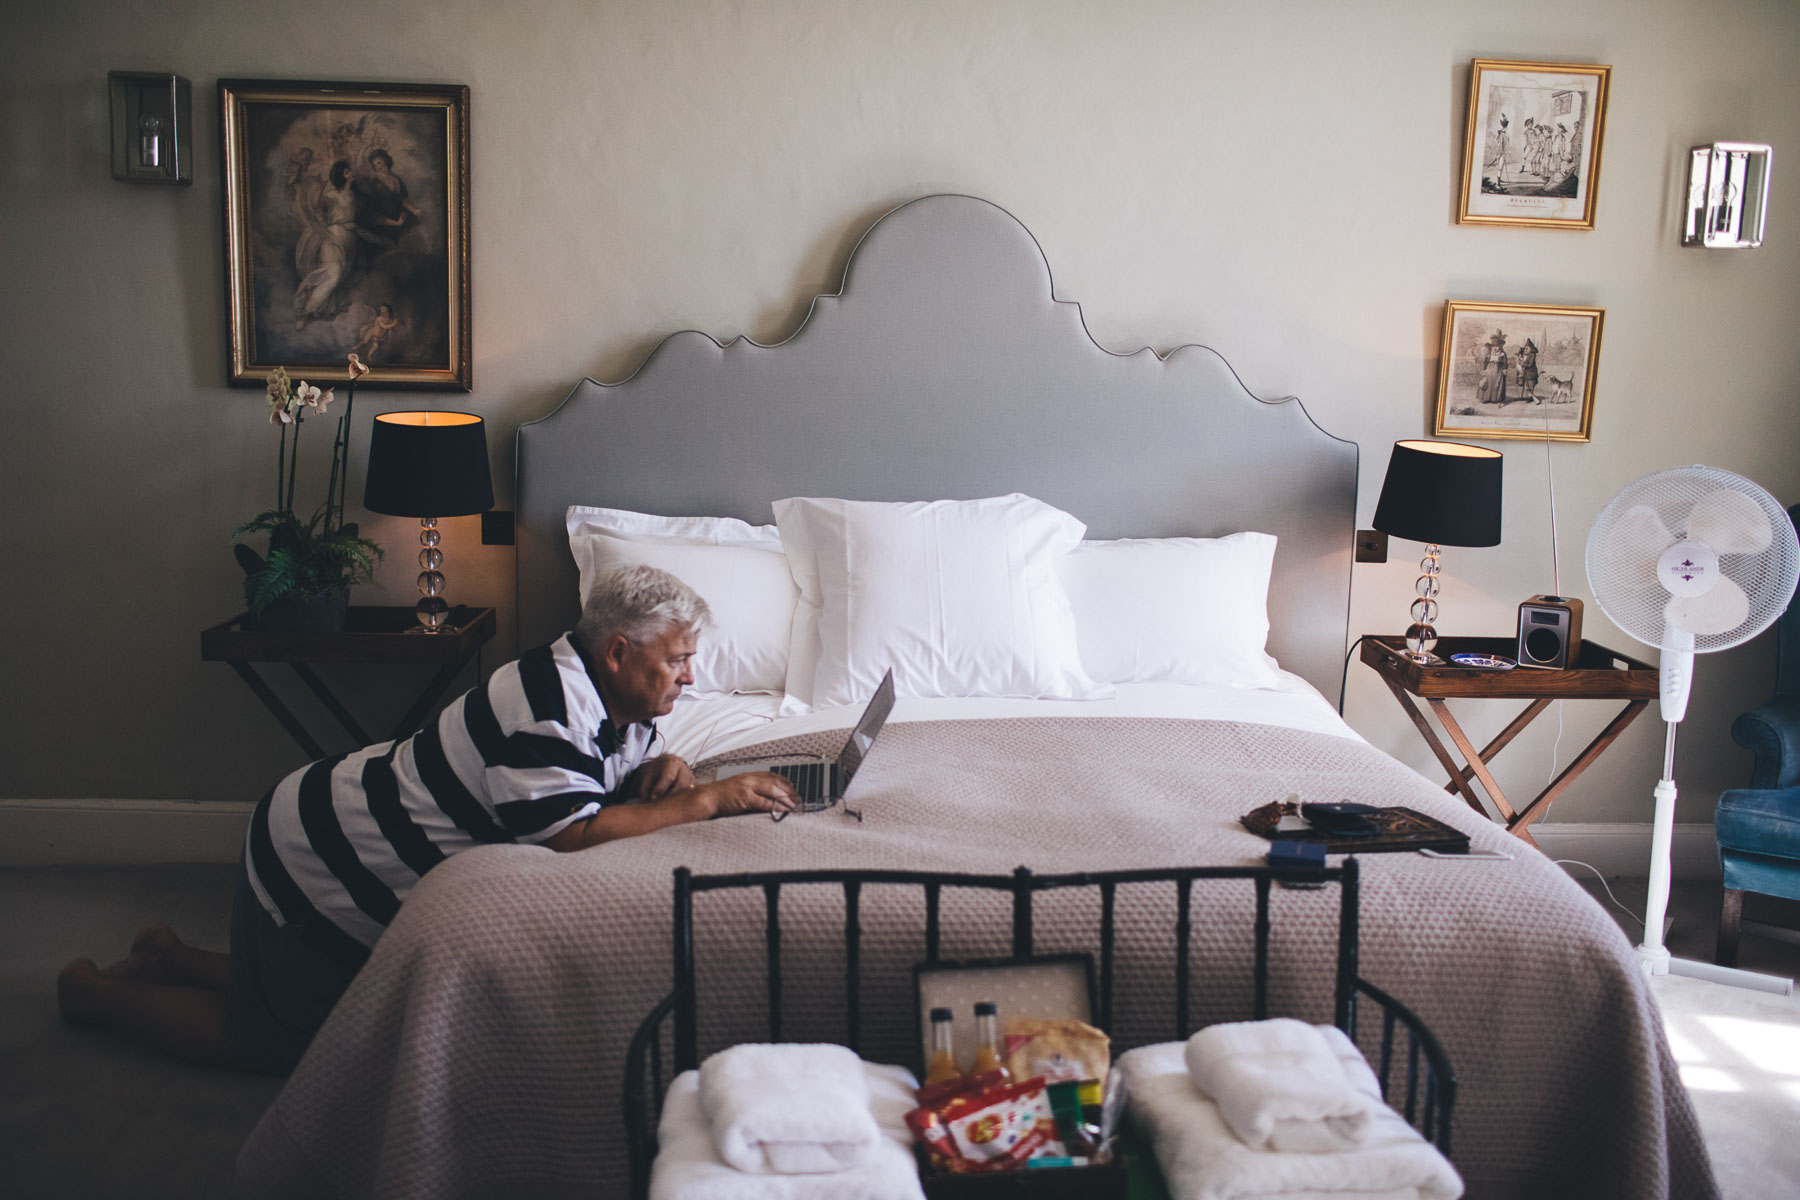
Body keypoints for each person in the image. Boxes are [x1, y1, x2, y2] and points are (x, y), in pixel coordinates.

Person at [56, 565, 798, 1073]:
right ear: (617, 653)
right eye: (679, 660)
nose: (691, 677)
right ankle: (98, 995)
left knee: (334, 1003)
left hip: (357, 838)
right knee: (274, 1047)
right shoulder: (543, 704)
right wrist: (702, 801)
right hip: (319, 854)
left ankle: (170, 957)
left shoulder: (621, 700)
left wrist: (662, 774)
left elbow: (602, 780)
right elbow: (570, 838)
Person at [1476, 331, 1508, 406]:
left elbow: (1505, 363)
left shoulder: (1502, 354)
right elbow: (1485, 362)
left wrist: (1504, 369)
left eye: (1497, 346)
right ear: (1491, 347)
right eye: (1493, 347)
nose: (1495, 348)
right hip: (1489, 369)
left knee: (1496, 383)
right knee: (1487, 382)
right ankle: (1486, 398)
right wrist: (1484, 370)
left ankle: (1495, 399)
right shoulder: (1489, 354)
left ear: (1500, 347)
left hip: (1498, 370)